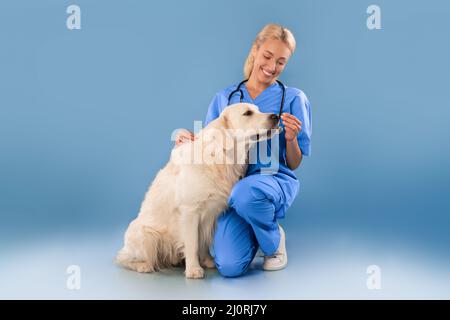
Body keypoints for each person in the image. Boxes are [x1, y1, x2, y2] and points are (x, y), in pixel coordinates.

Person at [174, 23, 312, 277]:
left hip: (272, 180)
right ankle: (256, 227)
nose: (272, 67)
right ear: (255, 51)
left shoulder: (293, 99)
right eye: (268, 56)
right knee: (228, 266)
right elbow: (210, 145)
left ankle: (273, 242)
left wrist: (291, 139)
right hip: (230, 187)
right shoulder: (225, 99)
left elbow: (295, 162)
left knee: (246, 193)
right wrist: (187, 141)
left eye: (281, 62)